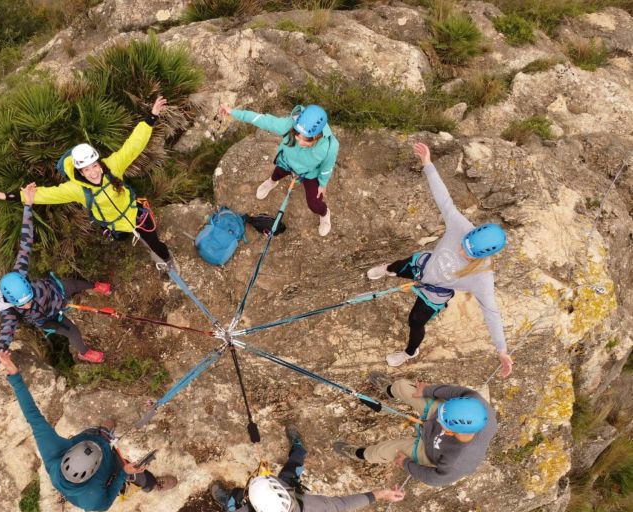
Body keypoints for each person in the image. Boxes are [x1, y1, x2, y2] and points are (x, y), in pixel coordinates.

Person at [367, 142, 513, 376]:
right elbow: (444, 200)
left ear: (483, 256)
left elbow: (491, 313)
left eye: (469, 255)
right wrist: (428, 164)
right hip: (422, 265)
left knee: (415, 321)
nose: (462, 252)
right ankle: (387, 270)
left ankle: (409, 353)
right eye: (464, 246)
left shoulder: (482, 277)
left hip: (435, 292)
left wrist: (502, 350)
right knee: (396, 267)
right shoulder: (460, 226)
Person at [0, 96, 177, 272]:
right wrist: (7, 195)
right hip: (114, 223)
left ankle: (166, 260)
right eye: (86, 169)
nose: (93, 172)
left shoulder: (113, 166)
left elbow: (133, 145)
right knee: (121, 237)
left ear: (99, 163)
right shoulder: (77, 189)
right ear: (80, 171)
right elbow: (46, 194)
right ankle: (125, 236)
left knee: (154, 242)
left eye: (94, 166)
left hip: (135, 215)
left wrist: (151, 117)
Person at [140, 425, 403, 512]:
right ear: (285, 494)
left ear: (254, 508)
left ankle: (228, 500)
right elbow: (344, 504)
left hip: (251, 509)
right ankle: (298, 448)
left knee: (232, 502)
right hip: (287, 503)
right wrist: (381, 494)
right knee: (294, 465)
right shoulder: (308, 506)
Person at [0, 184, 108, 401]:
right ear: (12, 303)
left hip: (56, 290)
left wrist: (28, 205)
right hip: (49, 318)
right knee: (73, 332)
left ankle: (95, 285)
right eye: (23, 304)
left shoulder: (19, 273)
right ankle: (83, 353)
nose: (28, 305)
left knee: (78, 284)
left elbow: (26, 241)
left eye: (29, 298)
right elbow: (1, 345)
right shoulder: (10, 314)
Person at [0, 349, 177, 512]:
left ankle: (104, 433)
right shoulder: (95, 499)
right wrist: (123, 473)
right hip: (110, 471)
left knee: (106, 427)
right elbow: (107, 501)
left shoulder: (52, 451)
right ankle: (152, 486)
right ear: (94, 470)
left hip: (93, 441)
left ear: (68, 452)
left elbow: (33, 416)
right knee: (141, 477)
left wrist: (14, 374)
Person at [334, 374, 497, 487]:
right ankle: (390, 390)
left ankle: (357, 453)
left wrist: (406, 463)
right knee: (403, 387)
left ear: (451, 432)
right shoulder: (476, 405)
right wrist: (428, 390)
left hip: (429, 449)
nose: (438, 420)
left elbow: (434, 479)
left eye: (442, 422)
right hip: (439, 422)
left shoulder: (458, 463)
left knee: (381, 452)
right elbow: (459, 392)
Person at [218, 103, 340, 237]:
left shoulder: (329, 146)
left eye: (306, 141)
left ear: (317, 137)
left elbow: (326, 167)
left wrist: (322, 184)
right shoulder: (290, 125)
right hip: (286, 162)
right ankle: (272, 182)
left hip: (309, 173)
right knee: (276, 174)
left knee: (314, 204)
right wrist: (233, 112)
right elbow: (263, 120)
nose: (300, 142)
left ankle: (324, 213)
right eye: (298, 135)